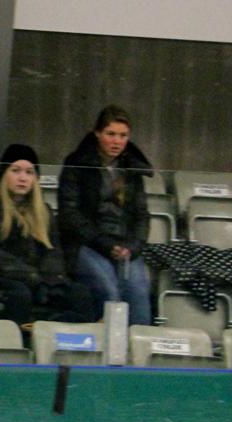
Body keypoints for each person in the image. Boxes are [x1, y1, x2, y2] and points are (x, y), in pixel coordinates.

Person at [0, 144, 93, 325]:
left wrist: (51, 280)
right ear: (4, 174)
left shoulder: (44, 211)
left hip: (38, 280)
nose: (23, 178)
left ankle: (69, 345)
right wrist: (31, 275)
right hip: (2, 278)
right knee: (20, 294)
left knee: (79, 293)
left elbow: (54, 252)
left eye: (29, 172)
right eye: (16, 171)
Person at [57, 105, 153, 324]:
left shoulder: (132, 169)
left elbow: (141, 214)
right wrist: (104, 243)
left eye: (123, 135)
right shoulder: (77, 164)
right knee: (111, 295)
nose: (117, 141)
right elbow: (69, 214)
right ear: (97, 133)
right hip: (88, 244)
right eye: (111, 134)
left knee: (139, 299)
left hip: (125, 247)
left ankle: (136, 355)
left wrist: (134, 246)